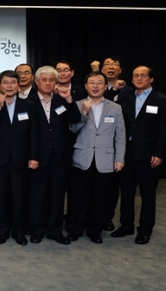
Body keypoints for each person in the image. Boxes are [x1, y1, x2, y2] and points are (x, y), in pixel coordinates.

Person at [112, 66, 166, 245]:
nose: (138, 78)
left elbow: (164, 129)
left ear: (151, 79)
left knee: (147, 195)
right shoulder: (125, 97)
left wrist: (159, 153)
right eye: (135, 75)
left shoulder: (161, 100)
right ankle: (126, 225)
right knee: (127, 193)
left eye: (143, 75)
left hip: (149, 155)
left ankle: (145, 230)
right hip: (126, 153)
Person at [66, 71, 125, 244]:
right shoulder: (77, 105)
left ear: (105, 86)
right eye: (92, 82)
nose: (95, 86)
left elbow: (120, 135)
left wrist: (119, 158)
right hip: (81, 158)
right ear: (86, 86)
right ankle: (74, 229)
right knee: (78, 197)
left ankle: (94, 230)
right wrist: (84, 114)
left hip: (105, 159)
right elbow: (71, 130)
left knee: (100, 198)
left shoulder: (115, 108)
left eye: (99, 83)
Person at [28, 66, 81, 245]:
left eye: (52, 80)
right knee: (38, 196)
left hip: (60, 156)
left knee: (58, 195)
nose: (48, 83)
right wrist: (32, 155)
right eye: (44, 79)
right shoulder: (28, 102)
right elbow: (27, 133)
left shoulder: (62, 100)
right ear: (36, 82)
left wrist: (70, 100)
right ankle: (37, 229)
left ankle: (55, 230)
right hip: (38, 157)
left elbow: (75, 119)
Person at [0, 70, 38, 246]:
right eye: (5, 82)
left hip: (21, 158)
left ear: (18, 85)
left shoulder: (29, 105)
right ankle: (2, 229)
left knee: (19, 195)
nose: (9, 86)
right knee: (0, 196)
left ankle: (18, 230)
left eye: (13, 82)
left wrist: (33, 156)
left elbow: (34, 133)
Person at [90, 57, 135, 231]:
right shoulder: (92, 88)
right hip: (92, 145)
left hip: (114, 145)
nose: (110, 67)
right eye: (107, 65)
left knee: (110, 186)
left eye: (114, 65)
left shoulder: (129, 91)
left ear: (120, 70)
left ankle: (106, 217)